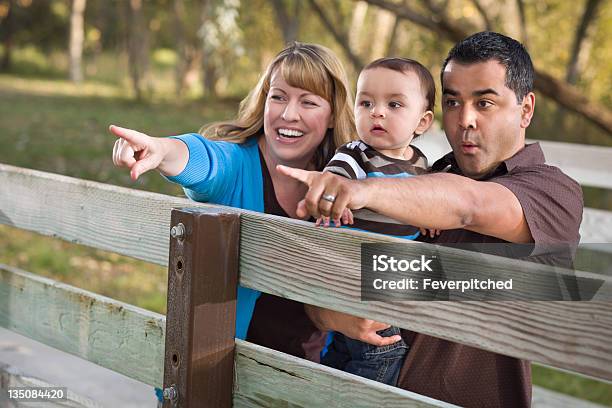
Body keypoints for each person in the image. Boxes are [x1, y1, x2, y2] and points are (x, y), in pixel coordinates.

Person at [279, 31, 583, 407]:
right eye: (453, 101)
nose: (465, 119)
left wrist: (361, 190)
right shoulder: (422, 176)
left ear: (525, 110)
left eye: (485, 103)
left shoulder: (552, 191)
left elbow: (469, 205)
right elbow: (335, 286)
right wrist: (331, 315)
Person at [110, 42, 373, 361]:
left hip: (306, 378)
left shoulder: (345, 177)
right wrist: (162, 150)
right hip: (216, 373)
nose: (289, 114)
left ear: (332, 115)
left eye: (309, 102)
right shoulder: (236, 165)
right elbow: (202, 158)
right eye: (278, 97)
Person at [319, 57, 435, 386]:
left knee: (345, 350)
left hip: (391, 277)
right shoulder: (355, 155)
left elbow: (427, 201)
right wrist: (332, 202)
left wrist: (426, 216)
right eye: (366, 102)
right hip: (359, 275)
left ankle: (329, 385)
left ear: (422, 122)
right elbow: (331, 185)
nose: (377, 112)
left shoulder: (421, 164)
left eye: (394, 104)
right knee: (383, 350)